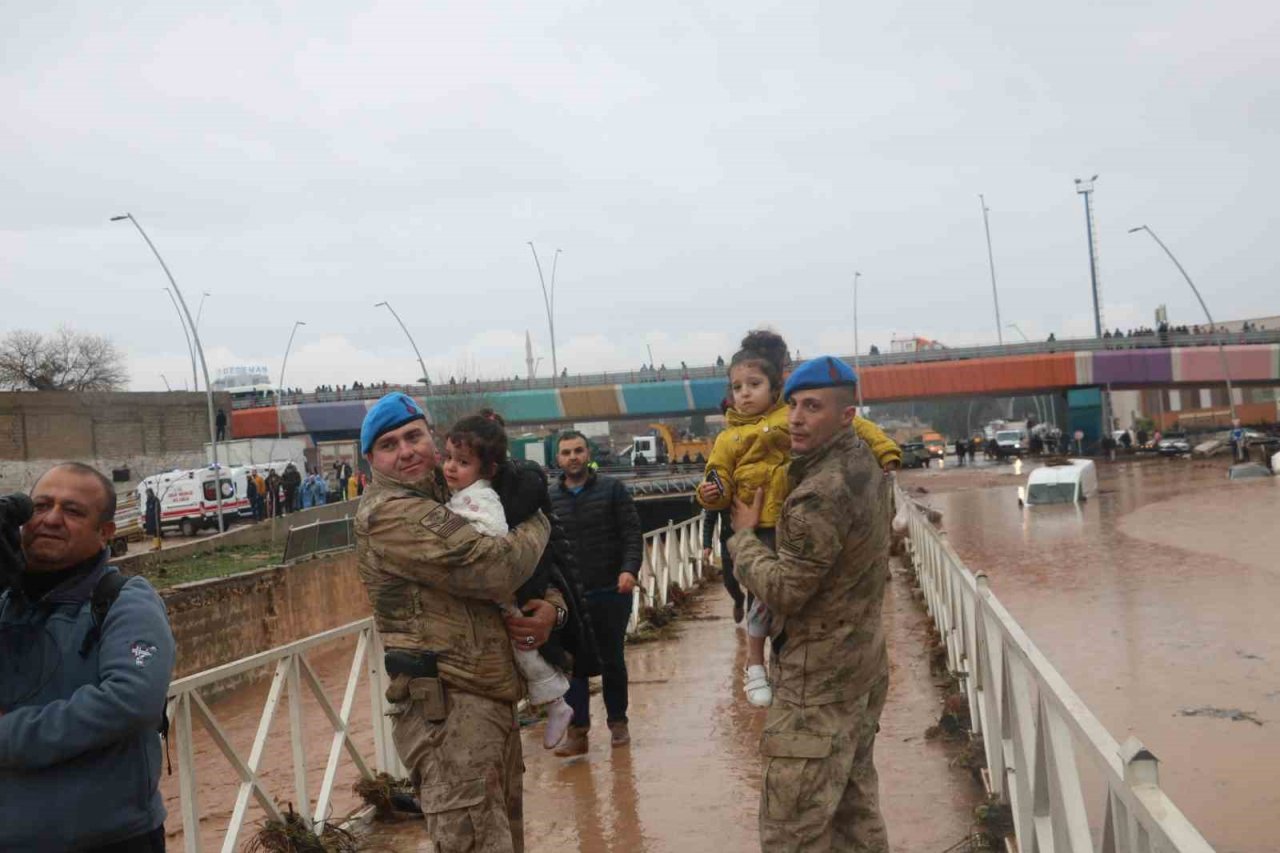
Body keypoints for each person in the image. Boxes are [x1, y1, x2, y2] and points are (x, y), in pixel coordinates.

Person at [355, 393, 555, 853]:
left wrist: (550, 608)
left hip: (489, 703)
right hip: (448, 716)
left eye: (413, 436)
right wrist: (540, 521)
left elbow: (529, 577)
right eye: (388, 445)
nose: (405, 451)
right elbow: (495, 567)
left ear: (432, 439)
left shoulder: (455, 494)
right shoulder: (392, 513)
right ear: (370, 462)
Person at [729, 356, 893, 852]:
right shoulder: (866, 466)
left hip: (815, 681)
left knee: (792, 830)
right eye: (793, 405)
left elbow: (786, 590)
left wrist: (743, 541)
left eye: (813, 407)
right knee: (853, 814)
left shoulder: (818, 493)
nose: (796, 418)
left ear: (847, 415)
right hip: (862, 666)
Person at [0, 463, 175, 851]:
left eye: (73, 511)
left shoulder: (125, 601)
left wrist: (9, 734)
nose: (52, 519)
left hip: (108, 840)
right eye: (40, 506)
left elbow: (131, 701)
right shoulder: (5, 603)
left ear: (105, 533)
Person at [441, 415, 575, 750]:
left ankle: (556, 700)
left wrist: (454, 530)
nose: (451, 468)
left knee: (524, 646)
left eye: (462, 462)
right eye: (448, 459)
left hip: (503, 591)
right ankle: (552, 701)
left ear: (487, 469)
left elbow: (495, 538)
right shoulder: (463, 490)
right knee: (523, 647)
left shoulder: (481, 497)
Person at [696, 329, 791, 707]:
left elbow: (852, 427)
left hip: (796, 524)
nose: (745, 393)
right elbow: (714, 478)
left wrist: (884, 451)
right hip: (755, 530)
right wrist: (710, 493)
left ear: (775, 385)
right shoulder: (727, 440)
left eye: (754, 384)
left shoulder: (793, 417)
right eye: (738, 387)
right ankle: (754, 664)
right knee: (763, 595)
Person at [550, 430, 643, 756]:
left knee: (612, 660)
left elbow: (632, 532)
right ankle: (578, 733)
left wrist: (629, 569)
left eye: (578, 450)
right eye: (566, 452)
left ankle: (618, 723)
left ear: (587, 454)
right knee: (572, 665)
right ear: (557, 459)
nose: (572, 457)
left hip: (611, 590)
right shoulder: (550, 499)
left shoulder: (612, 489)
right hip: (571, 595)